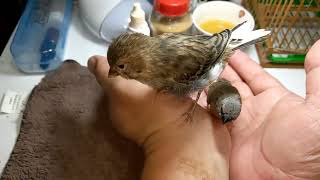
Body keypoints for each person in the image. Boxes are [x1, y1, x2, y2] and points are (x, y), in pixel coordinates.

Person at [87, 40, 320, 180]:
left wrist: (164, 132)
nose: (116, 71)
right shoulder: (155, 65)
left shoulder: (175, 67)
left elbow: (202, 75)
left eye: (122, 66)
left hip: (211, 58)